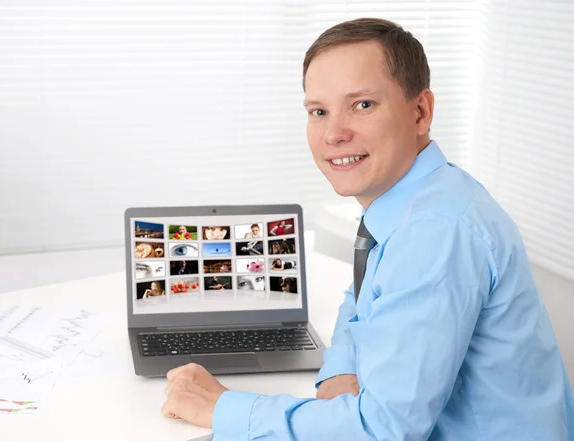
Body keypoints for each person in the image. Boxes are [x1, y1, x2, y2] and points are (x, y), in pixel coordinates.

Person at [161, 18, 574, 440]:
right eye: (318, 111)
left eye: (362, 105)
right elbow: (362, 298)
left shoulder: (436, 232)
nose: (334, 134)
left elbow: (382, 431)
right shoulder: (416, 196)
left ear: (420, 112)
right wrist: (340, 366)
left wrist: (222, 409)